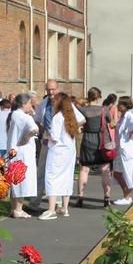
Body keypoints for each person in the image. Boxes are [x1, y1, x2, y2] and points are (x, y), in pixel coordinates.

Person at [41, 92, 84, 220]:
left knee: (51, 177)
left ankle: (51, 209)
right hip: (69, 151)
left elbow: (54, 137)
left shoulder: (58, 117)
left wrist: (46, 136)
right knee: (67, 177)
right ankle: (65, 208)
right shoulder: (70, 116)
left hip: (57, 151)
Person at [76, 87, 114, 209]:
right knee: (105, 170)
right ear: (99, 97)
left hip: (87, 139)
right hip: (102, 140)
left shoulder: (81, 110)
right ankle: (106, 197)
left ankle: (80, 196)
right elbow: (112, 124)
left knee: (84, 169)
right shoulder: (104, 110)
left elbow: (78, 124)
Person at [6, 93, 39, 218]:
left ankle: (14, 208)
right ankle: (18, 209)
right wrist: (27, 136)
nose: (31, 105)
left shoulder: (13, 115)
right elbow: (34, 129)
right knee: (22, 179)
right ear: (24, 104)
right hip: (24, 150)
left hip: (13, 149)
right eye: (29, 103)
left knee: (13, 178)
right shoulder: (25, 117)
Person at [116, 95, 133, 204]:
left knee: (126, 172)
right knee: (117, 173)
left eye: (120, 104)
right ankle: (126, 195)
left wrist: (131, 133)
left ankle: (127, 197)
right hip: (121, 148)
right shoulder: (123, 116)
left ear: (125, 105)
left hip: (126, 148)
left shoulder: (128, 116)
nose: (118, 106)